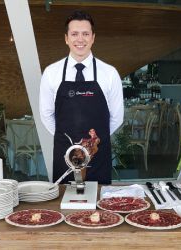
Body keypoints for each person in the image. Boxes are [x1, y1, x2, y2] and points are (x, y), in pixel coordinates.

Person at [39, 10, 124, 184]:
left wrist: (94, 145)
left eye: (85, 34)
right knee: (65, 205)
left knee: (99, 210)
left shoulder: (109, 73)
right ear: (66, 38)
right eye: (74, 34)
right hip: (66, 155)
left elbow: (117, 117)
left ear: (93, 38)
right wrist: (64, 139)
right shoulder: (51, 73)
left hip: (98, 156)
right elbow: (46, 115)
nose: (80, 39)